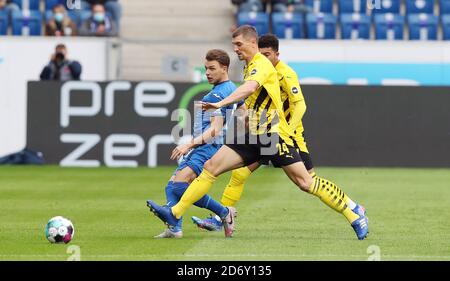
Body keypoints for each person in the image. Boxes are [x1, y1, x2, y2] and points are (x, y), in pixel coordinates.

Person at [147, 25, 369, 240]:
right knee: (211, 167)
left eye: (238, 44)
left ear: (252, 42)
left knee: (305, 182)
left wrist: (221, 104)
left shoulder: (261, 64)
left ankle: (353, 213)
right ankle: (176, 213)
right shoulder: (249, 65)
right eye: (233, 44)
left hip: (272, 132)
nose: (235, 49)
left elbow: (250, 88)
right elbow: (249, 101)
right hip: (254, 130)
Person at [148, 49, 246, 239]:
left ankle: (224, 212)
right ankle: (174, 228)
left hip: (206, 147)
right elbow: (243, 111)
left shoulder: (215, 96)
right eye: (206, 68)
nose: (207, 72)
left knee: (179, 186)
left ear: (224, 68)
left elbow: (215, 130)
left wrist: (188, 145)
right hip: (210, 146)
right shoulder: (232, 89)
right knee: (172, 185)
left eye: (212, 68)